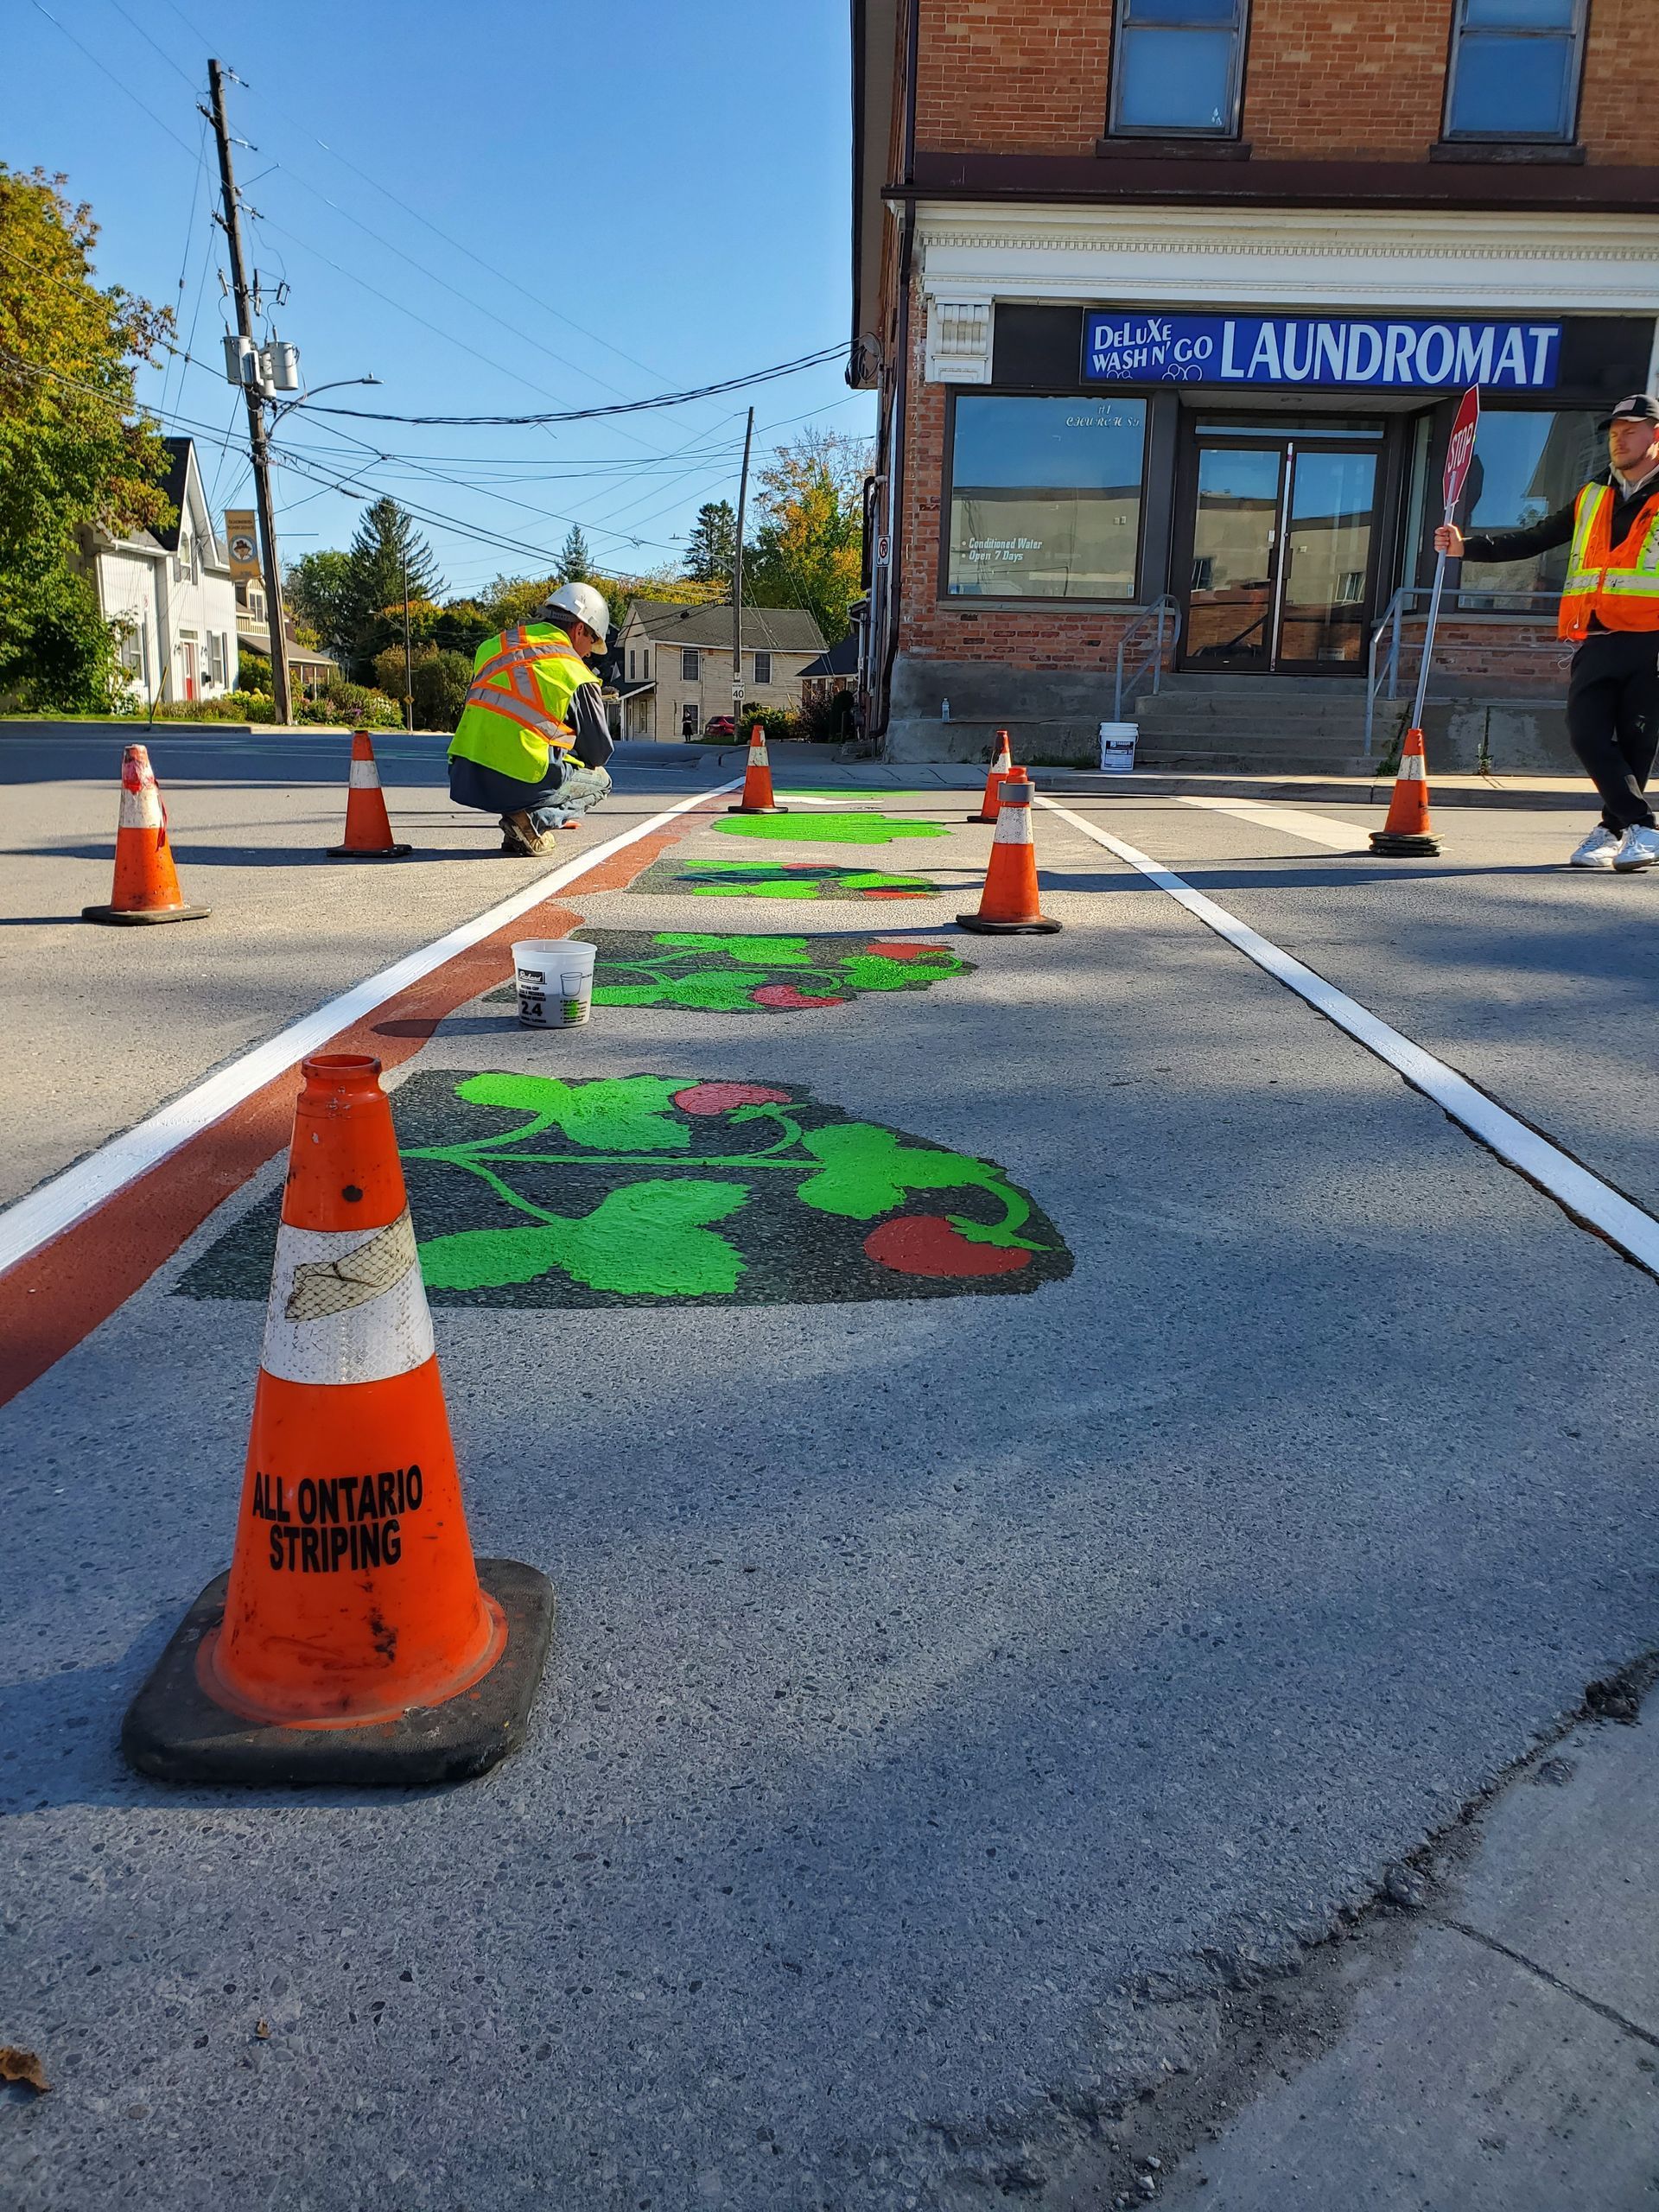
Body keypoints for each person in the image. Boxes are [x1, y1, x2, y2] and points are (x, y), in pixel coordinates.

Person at [1436, 393, 1659, 873]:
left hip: (1653, 640)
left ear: (1656, 435)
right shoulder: (1592, 494)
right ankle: (1641, 825)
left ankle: (1613, 832)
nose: (1618, 440)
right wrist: (1466, 548)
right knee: (1587, 734)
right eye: (1614, 433)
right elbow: (1536, 537)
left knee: (1638, 743)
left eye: (1631, 431)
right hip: (1597, 637)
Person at [448, 581, 614, 855]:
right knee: (601, 781)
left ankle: (520, 825)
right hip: (517, 781)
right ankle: (531, 822)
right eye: (591, 642)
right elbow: (599, 753)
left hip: (464, 775)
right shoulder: (574, 670)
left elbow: (505, 713)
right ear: (580, 628)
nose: (587, 653)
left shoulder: (493, 647)